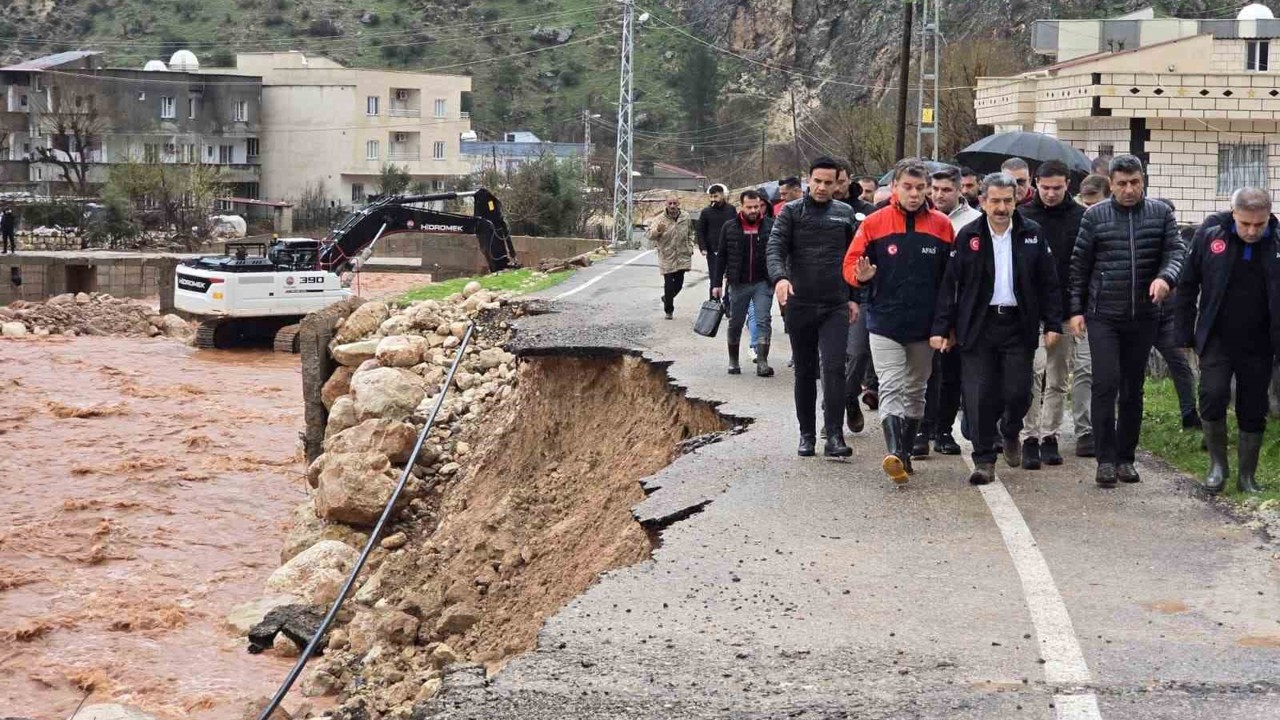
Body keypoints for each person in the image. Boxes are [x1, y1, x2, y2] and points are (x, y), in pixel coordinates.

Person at [931, 172, 1063, 484]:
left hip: (1019, 325)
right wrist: (942, 327)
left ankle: (1010, 428)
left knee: (1018, 391)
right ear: (982, 202)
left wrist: (1053, 322)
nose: (1002, 208)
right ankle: (984, 459)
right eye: (995, 201)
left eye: (1007, 201)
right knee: (979, 394)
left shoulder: (1032, 234)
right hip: (978, 325)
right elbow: (951, 285)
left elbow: (1049, 282)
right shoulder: (968, 236)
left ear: (1016, 201)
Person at [1068, 154, 1184, 487]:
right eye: (1122, 184)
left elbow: (1176, 252)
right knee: (1105, 383)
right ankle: (1105, 460)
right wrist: (1076, 310)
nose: (1129, 190)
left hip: (1144, 313)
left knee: (1133, 388)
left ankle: (1126, 458)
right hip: (1103, 314)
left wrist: (1165, 278)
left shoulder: (1161, 214)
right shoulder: (1095, 216)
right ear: (1111, 184)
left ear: (1143, 180)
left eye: (1135, 182)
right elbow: (1079, 266)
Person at [843, 159, 955, 484]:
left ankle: (905, 452)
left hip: (925, 325)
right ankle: (895, 454)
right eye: (907, 187)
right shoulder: (874, 223)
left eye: (920, 188)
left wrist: (947, 324)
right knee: (890, 385)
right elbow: (850, 264)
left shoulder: (942, 225)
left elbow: (951, 279)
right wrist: (861, 277)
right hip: (884, 320)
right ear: (894, 187)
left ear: (928, 189)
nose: (914, 193)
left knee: (916, 390)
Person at [1177, 188, 1278, 494]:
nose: (1252, 231)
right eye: (1245, 223)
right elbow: (1187, 285)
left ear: (1268, 217)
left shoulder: (1276, 243)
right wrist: (1183, 333)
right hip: (1218, 336)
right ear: (1234, 214)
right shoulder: (1210, 237)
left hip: (1260, 340)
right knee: (1213, 394)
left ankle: (1247, 476)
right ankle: (1217, 467)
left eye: (1259, 224)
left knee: (1253, 405)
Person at [768, 156, 858, 458]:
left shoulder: (844, 213)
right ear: (808, 180)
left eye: (828, 183)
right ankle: (806, 434)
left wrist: (855, 297)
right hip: (800, 302)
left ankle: (834, 436)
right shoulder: (791, 212)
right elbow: (775, 247)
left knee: (834, 369)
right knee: (805, 371)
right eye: (817, 181)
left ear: (837, 184)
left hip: (835, 304)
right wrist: (780, 278)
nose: (821, 187)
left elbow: (855, 257)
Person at [1019, 160, 1092, 467]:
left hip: (1064, 307)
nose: (1050, 193)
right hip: (1029, 310)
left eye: (1057, 188)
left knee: (1059, 376)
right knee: (1032, 373)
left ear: (1068, 186)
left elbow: (1083, 265)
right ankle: (1029, 436)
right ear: (1036, 184)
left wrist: (1077, 309)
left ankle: (1050, 435)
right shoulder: (1022, 215)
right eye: (1045, 187)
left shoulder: (1081, 218)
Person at [914, 167, 981, 457]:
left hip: (961, 306)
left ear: (959, 190)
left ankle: (943, 430)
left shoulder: (975, 220)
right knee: (924, 372)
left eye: (946, 190)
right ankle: (921, 429)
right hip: (925, 304)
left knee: (951, 373)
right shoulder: (920, 217)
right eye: (935, 190)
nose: (939, 195)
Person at [1147, 198, 1202, 431]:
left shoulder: (1180, 244)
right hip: (1141, 316)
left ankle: (1189, 413)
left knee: (1180, 365)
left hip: (1167, 316)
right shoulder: (1142, 239)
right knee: (1129, 368)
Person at [714, 190, 775, 377]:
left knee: (763, 320)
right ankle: (733, 361)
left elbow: (777, 252)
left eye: (757, 207)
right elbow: (721, 256)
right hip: (738, 283)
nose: (754, 210)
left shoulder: (770, 226)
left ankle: (762, 361)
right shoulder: (729, 227)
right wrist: (716, 283)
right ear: (742, 207)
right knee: (736, 322)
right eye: (749, 207)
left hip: (763, 282)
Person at [648, 196, 696, 320]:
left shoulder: (685, 217)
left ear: (678, 204)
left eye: (675, 203)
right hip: (667, 255)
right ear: (666, 204)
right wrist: (658, 231)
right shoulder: (659, 219)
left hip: (682, 254)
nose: (672, 206)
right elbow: (649, 235)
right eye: (670, 203)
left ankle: (667, 298)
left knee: (679, 284)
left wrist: (690, 246)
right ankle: (669, 310)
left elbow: (691, 233)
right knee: (668, 284)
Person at [697, 184, 736, 299]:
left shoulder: (731, 210)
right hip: (713, 250)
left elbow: (736, 227)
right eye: (711, 197)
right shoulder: (706, 212)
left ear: (722, 195)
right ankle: (714, 302)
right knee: (714, 278)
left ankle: (728, 302)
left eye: (716, 196)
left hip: (730, 249)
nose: (713, 199)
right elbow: (700, 230)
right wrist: (703, 247)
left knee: (731, 278)